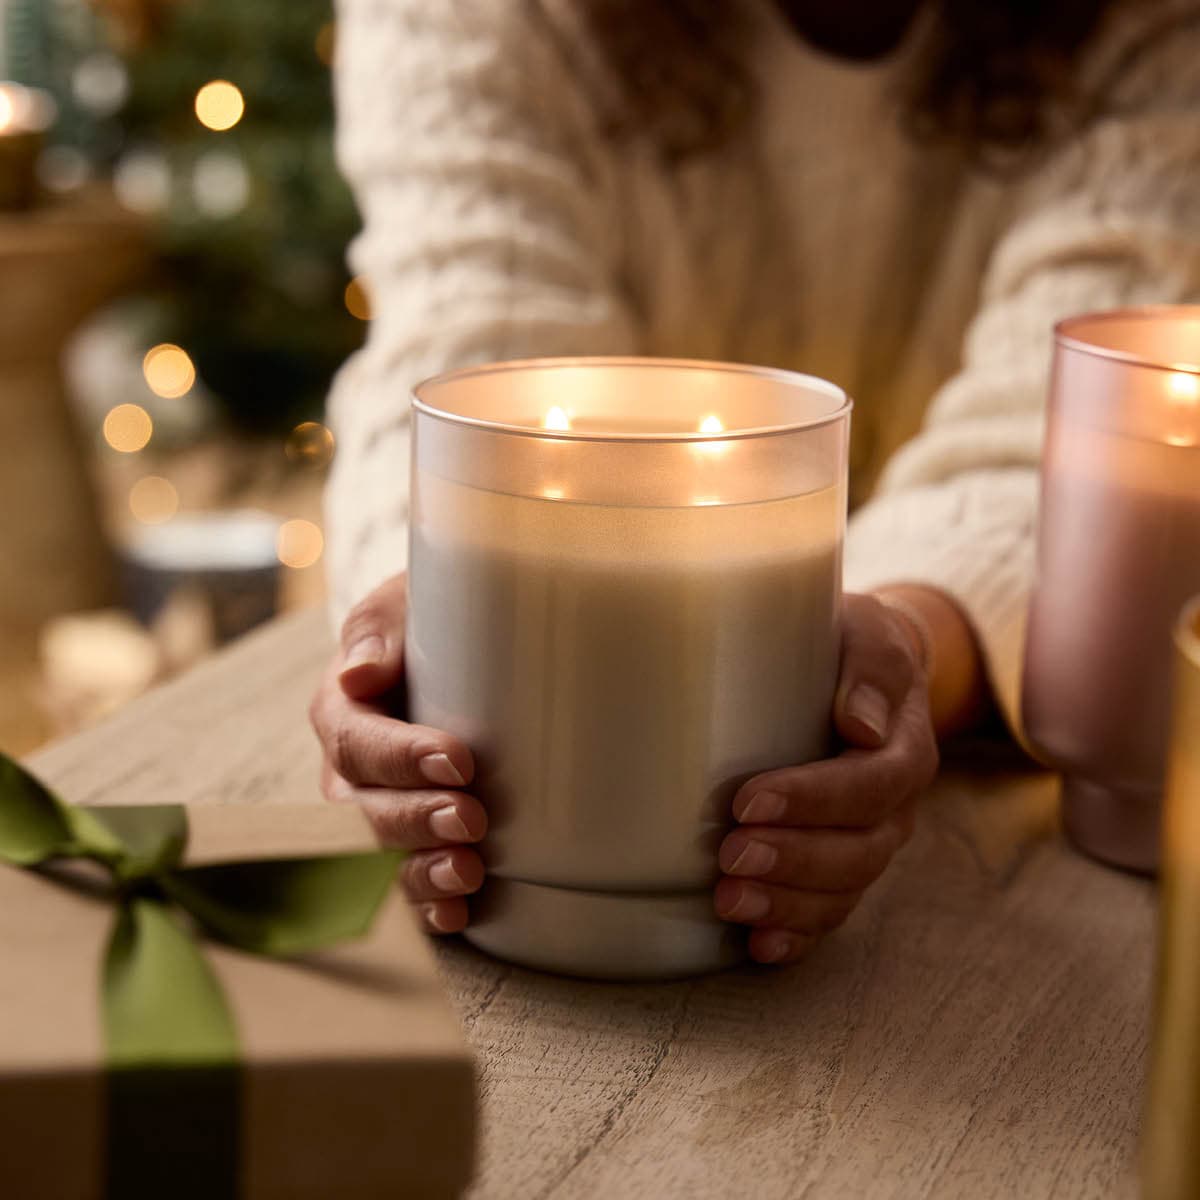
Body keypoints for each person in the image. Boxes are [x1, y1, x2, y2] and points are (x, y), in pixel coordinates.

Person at [309, 0, 1200, 964]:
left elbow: (1054, 425)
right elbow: (472, 347)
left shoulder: (1156, 31)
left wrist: (895, 647)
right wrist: (424, 619)